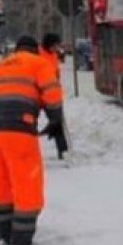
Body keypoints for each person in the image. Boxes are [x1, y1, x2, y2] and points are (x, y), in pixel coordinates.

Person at [0, 35, 64, 245]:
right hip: (17, 129)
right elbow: (52, 93)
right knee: (27, 184)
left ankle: (6, 236)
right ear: (35, 50)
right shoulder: (39, 63)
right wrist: (55, 120)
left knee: (1, 183)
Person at [39, 32, 70, 160]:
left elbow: (56, 73)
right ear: (48, 45)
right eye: (55, 45)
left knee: (58, 122)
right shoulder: (39, 54)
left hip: (52, 94)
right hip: (39, 94)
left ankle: (62, 150)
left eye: (57, 45)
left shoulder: (54, 55)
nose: (56, 48)